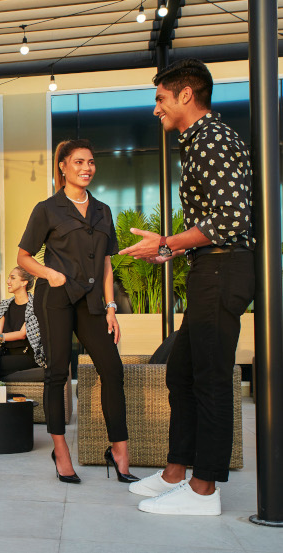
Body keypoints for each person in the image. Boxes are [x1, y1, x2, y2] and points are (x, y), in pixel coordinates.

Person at [119, 59, 254, 516]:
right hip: (209, 268)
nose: (155, 108)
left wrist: (168, 242)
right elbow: (215, 221)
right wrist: (172, 249)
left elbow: (231, 219)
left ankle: (204, 490)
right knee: (180, 372)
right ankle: (177, 472)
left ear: (185, 95)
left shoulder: (212, 139)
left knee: (210, 379)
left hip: (223, 269)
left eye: (160, 98)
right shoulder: (199, 140)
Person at [18, 139, 137, 485]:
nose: (87, 168)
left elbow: (106, 263)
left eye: (91, 162)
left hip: (93, 302)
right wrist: (49, 274)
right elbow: (23, 257)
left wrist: (111, 307)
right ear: (63, 167)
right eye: (79, 162)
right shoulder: (48, 209)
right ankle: (60, 451)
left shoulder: (103, 211)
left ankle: (119, 451)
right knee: (57, 373)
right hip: (55, 298)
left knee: (112, 369)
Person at [0, 266, 46, 389]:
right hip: (6, 352)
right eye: (8, 278)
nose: (8, 281)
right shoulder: (6, 304)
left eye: (13, 278)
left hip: (26, 354)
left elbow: (22, 334)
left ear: (24, 282)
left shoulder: (34, 305)